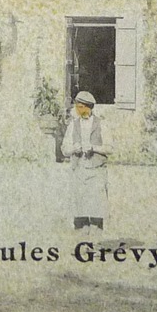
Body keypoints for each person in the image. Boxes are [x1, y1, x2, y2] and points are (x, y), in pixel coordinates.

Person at [64, 91, 110, 231]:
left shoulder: (102, 124)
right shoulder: (73, 125)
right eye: (77, 107)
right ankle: (80, 247)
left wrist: (94, 148)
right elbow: (64, 149)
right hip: (79, 170)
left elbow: (110, 148)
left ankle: (95, 248)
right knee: (80, 210)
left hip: (96, 171)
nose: (79, 110)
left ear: (90, 107)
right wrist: (73, 149)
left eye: (82, 107)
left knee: (96, 210)